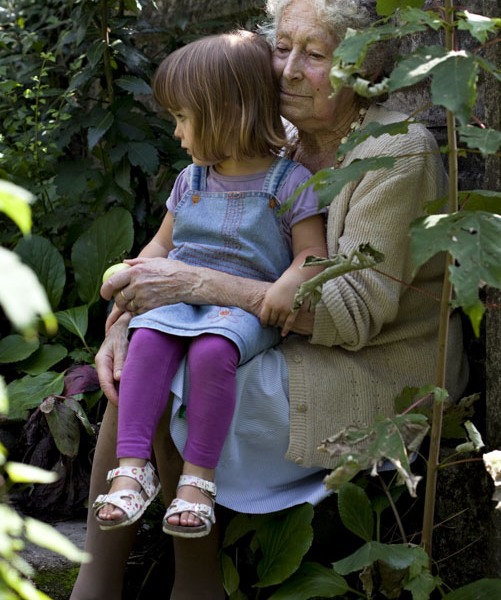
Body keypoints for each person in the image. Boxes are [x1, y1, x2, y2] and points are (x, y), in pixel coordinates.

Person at [71, 0, 465, 600]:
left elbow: (353, 312)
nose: (286, 70)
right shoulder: (271, 137)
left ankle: (191, 586)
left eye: (314, 55)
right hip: (261, 335)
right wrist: (125, 326)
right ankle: (102, 578)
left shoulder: (395, 152)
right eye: (282, 48)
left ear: (360, 64)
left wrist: (196, 287)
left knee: (180, 369)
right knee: (142, 362)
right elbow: (177, 246)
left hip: (373, 368)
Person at [91, 31, 327, 540]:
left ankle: (199, 481)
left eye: (182, 118)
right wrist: (131, 271)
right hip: (179, 304)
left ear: (227, 112)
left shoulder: (288, 182)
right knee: (148, 342)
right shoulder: (190, 181)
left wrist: (291, 281)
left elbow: (313, 253)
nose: (177, 133)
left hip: (240, 310)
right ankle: (132, 470)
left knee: (211, 354)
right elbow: (160, 247)